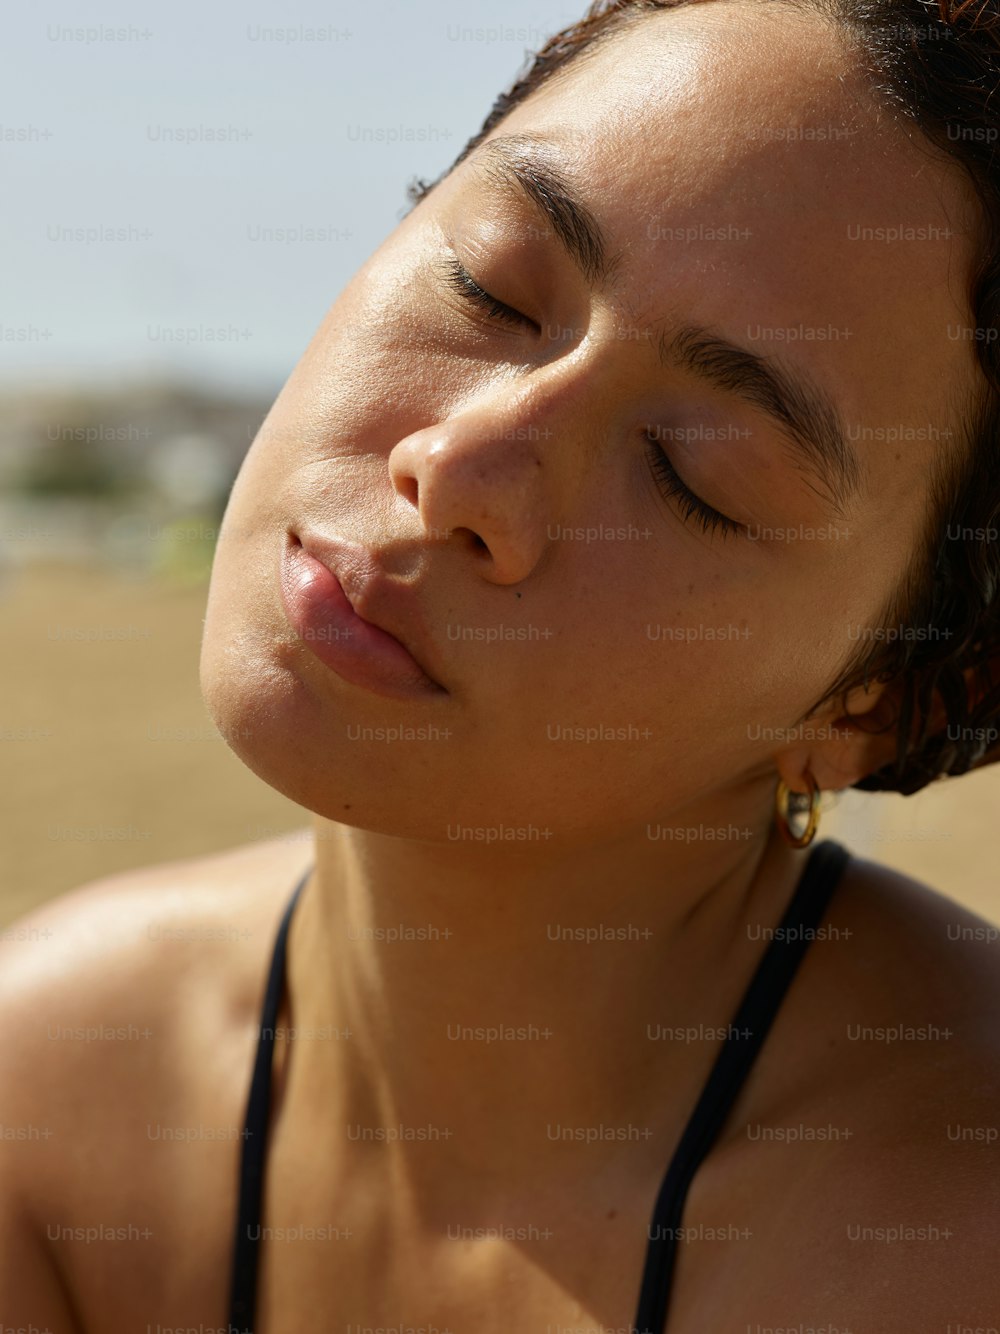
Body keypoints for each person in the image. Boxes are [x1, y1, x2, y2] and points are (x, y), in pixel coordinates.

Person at [3, 0, 1000, 1329]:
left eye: (692, 470)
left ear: (879, 699)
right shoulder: (55, 1092)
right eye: (490, 283)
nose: (461, 468)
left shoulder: (944, 1249)